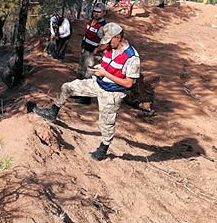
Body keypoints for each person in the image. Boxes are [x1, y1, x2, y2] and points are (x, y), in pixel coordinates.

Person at [34, 23, 141, 161]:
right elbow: (105, 62)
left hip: (112, 94)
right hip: (98, 83)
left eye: (109, 40)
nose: (106, 44)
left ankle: (103, 149)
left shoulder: (132, 57)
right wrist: (99, 69)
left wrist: (105, 73)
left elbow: (128, 83)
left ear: (118, 37)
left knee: (106, 122)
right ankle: (52, 112)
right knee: (68, 87)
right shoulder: (111, 47)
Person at [74, 3, 107, 104]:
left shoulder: (103, 27)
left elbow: (105, 43)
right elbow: (87, 35)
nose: (96, 14)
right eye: (95, 11)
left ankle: (85, 98)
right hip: (86, 51)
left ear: (104, 13)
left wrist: (98, 51)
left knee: (88, 75)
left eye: (99, 12)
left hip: (93, 54)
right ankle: (77, 93)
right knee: (80, 72)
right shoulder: (91, 22)